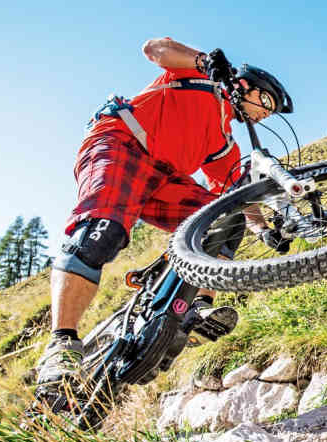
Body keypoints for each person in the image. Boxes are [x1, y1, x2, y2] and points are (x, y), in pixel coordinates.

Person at [34, 38, 292, 404]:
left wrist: (263, 230)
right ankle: (61, 344)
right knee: (99, 233)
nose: (267, 113)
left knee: (224, 216)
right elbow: (154, 48)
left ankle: (198, 305)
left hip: (163, 180)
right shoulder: (199, 78)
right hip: (122, 143)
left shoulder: (223, 141)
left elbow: (236, 191)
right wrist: (204, 62)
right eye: (266, 102)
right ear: (245, 85)